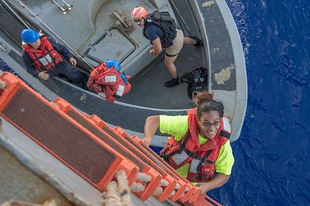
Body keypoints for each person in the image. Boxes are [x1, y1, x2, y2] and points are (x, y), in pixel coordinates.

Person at [142, 98, 234, 194]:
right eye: (206, 123)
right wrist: (148, 137)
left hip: (189, 190)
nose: (211, 129)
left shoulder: (222, 145)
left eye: (216, 123)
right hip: (163, 171)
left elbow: (225, 173)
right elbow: (154, 120)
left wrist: (207, 186)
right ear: (198, 120)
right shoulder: (185, 125)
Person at [131, 6, 203, 88]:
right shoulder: (153, 16)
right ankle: (197, 42)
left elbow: (158, 49)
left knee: (168, 63)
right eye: (135, 21)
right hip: (177, 33)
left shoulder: (150, 31)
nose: (138, 23)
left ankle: (175, 80)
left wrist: (153, 52)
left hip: (174, 44)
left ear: (144, 17)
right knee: (181, 39)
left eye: (139, 20)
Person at [21, 29, 87, 85]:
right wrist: (38, 74)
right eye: (33, 42)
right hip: (49, 71)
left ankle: (84, 79)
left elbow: (62, 48)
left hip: (61, 64)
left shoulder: (49, 40)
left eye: (37, 39)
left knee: (72, 73)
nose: (36, 42)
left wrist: (69, 57)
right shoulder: (26, 54)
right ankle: (71, 81)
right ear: (28, 43)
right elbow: (29, 68)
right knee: (63, 77)